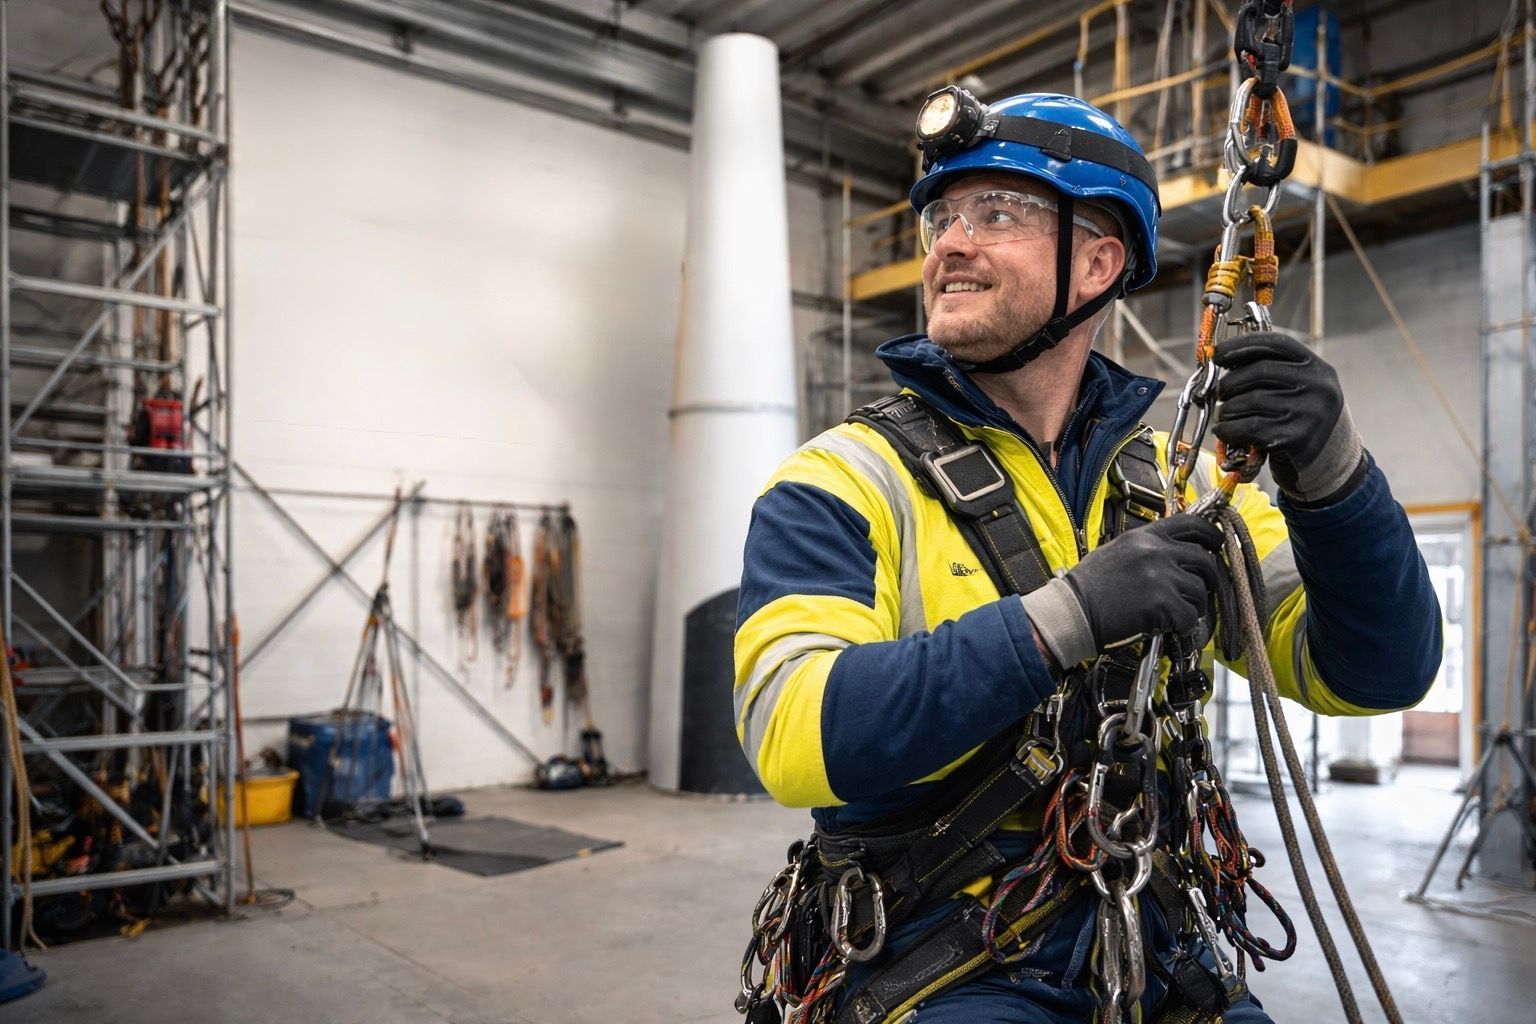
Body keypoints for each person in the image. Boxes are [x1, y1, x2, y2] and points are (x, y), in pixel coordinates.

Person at [732, 90, 1442, 1024]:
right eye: (942, 216)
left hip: (1154, 934)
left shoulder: (1175, 486)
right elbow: (795, 735)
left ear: (1098, 262)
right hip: (944, 959)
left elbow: (1371, 672)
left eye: (997, 213)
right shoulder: (843, 480)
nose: (950, 241)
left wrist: (1333, 473)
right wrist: (1068, 617)